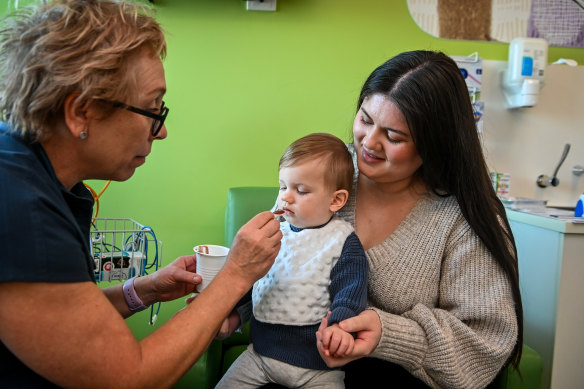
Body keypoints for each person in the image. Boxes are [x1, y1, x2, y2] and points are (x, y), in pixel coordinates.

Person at [0, 1, 282, 388]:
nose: (161, 131)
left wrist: (143, 290)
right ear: (81, 111)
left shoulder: (29, 170)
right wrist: (235, 275)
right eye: (153, 109)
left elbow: (66, 322)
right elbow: (129, 377)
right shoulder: (20, 209)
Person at [314, 50, 523, 389]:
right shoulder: (324, 174)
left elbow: (487, 340)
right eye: (365, 120)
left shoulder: (462, 217)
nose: (369, 142)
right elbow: (275, 260)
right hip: (301, 359)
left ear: (434, 145)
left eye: (393, 137)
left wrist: (389, 333)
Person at [215, 133, 369, 389]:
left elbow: (350, 293)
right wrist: (231, 315)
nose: (285, 197)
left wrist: (340, 328)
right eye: (283, 186)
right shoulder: (271, 234)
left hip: (318, 367)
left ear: (336, 200)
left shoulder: (342, 242)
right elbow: (253, 281)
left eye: (300, 190)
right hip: (260, 356)